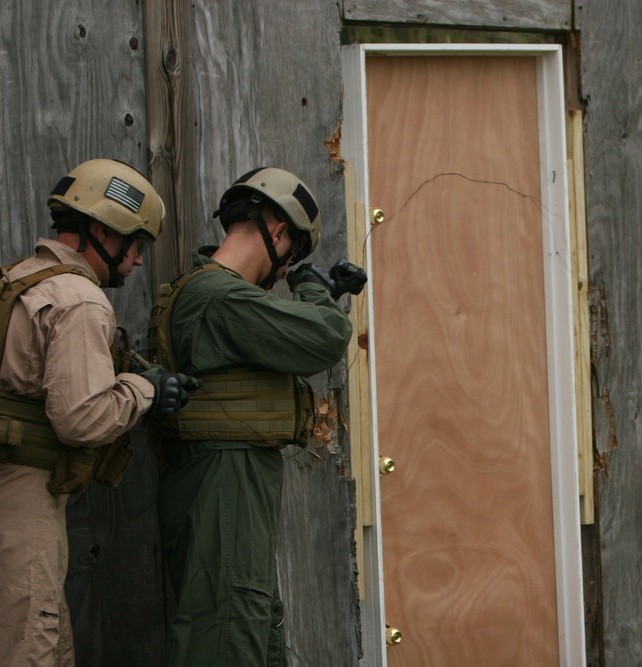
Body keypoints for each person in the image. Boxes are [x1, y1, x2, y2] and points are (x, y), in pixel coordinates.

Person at [151, 167, 367, 666]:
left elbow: (269, 339)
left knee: (250, 627)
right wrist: (311, 288)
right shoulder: (218, 296)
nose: (285, 268)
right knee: (227, 631)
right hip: (226, 483)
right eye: (291, 255)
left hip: (227, 481)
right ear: (278, 232)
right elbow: (326, 338)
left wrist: (321, 297)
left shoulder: (212, 295)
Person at [0, 158, 201, 666]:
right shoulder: (79, 299)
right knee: (31, 642)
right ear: (98, 230)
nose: (137, 261)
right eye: (135, 244)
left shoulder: (15, 280)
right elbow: (81, 419)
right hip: (25, 497)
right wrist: (145, 389)